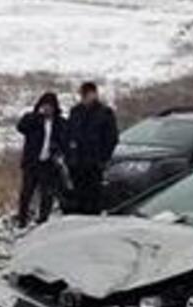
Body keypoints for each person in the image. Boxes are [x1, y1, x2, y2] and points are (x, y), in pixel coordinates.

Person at [61, 81, 119, 215]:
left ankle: (92, 217)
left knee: (94, 195)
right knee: (78, 193)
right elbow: (68, 134)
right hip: (77, 162)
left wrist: (103, 158)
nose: (86, 98)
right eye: (83, 95)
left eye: (88, 95)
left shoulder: (105, 113)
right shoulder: (76, 112)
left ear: (95, 94)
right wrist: (69, 155)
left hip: (94, 162)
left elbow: (112, 138)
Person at [14, 92, 65, 227]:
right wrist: (37, 116)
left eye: (51, 106)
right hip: (31, 162)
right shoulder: (32, 119)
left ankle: (43, 219)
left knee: (47, 193)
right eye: (45, 106)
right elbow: (21, 127)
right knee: (26, 193)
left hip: (48, 163)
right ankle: (22, 220)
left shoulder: (60, 122)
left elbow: (64, 139)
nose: (48, 109)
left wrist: (58, 152)